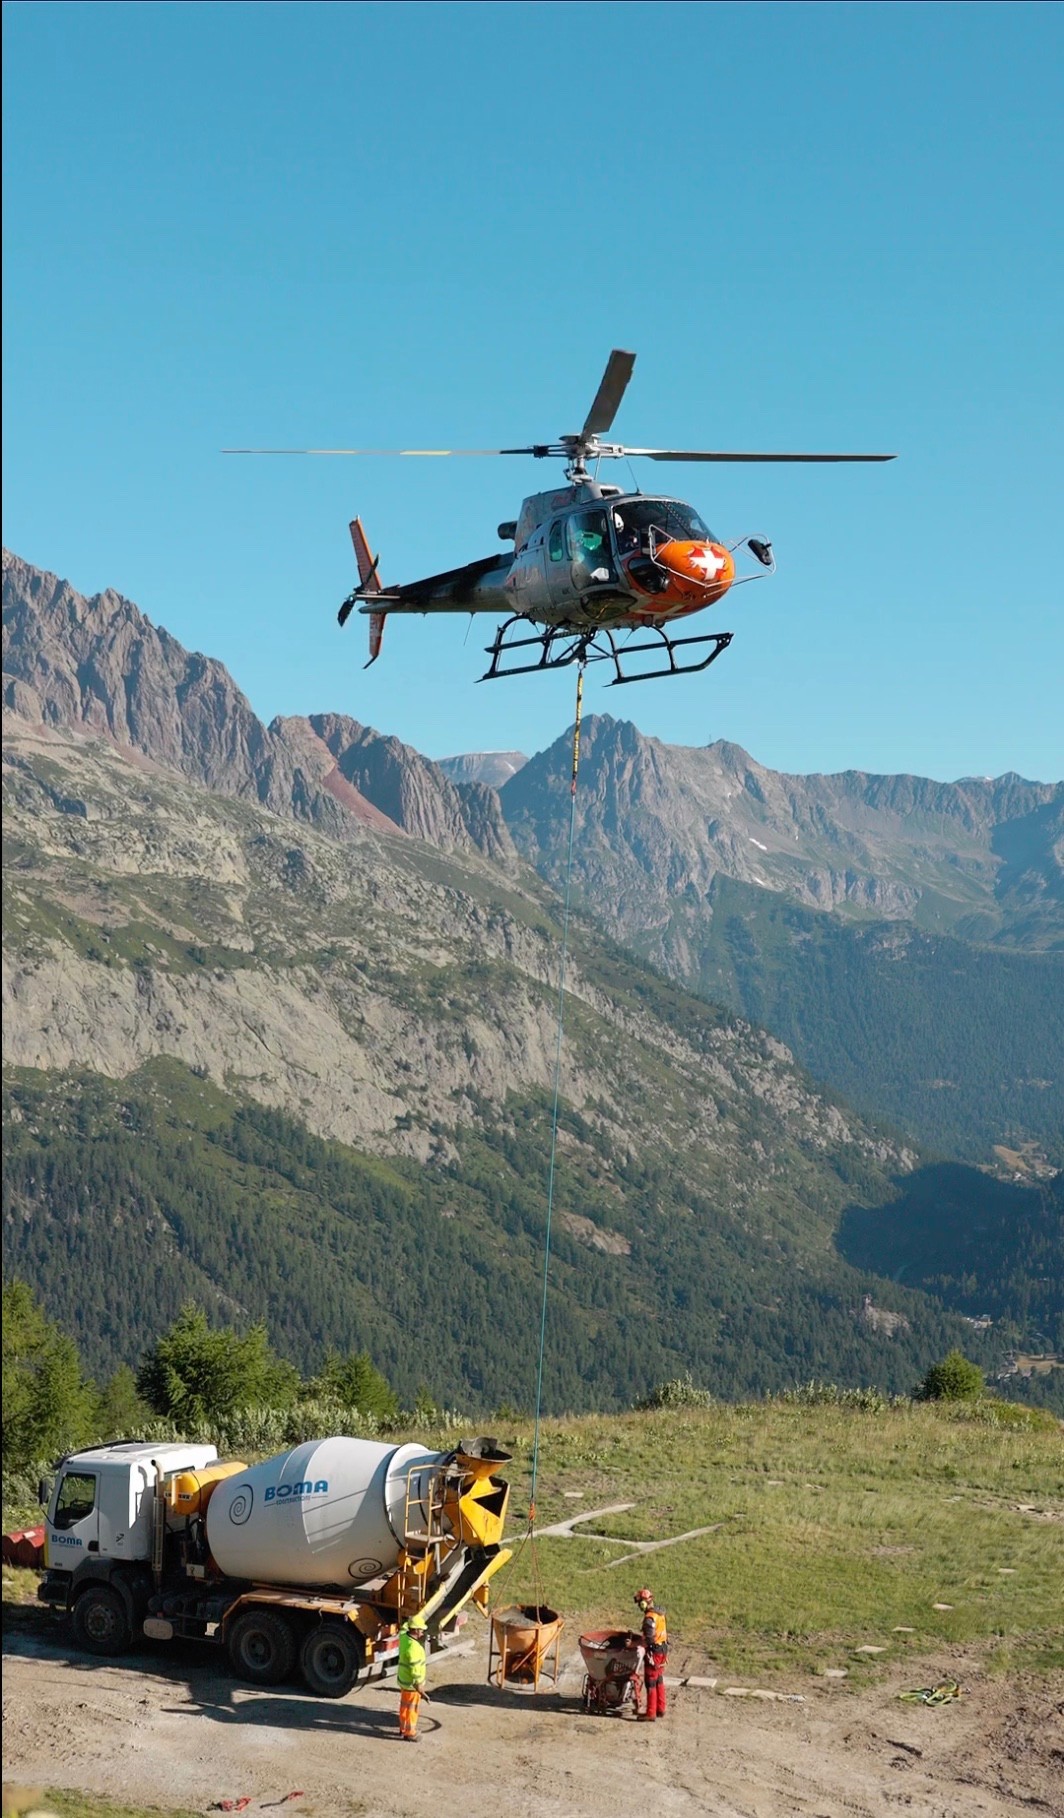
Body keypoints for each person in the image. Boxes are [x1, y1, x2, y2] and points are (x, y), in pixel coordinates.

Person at [633, 1587, 668, 1721]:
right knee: (659, 1679)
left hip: (654, 1653)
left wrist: (634, 1644)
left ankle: (651, 1713)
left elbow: (649, 1640)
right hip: (663, 1649)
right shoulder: (660, 1613)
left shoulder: (649, 1618)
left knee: (650, 1681)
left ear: (643, 1603)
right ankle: (661, 1708)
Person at [397, 1616, 429, 1741]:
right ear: (415, 1630)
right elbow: (415, 1671)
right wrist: (419, 1686)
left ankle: (403, 1728)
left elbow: (403, 1628)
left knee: (404, 1707)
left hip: (404, 1682)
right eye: (421, 1630)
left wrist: (409, 1620)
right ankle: (410, 1733)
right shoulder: (414, 1649)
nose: (422, 1632)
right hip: (412, 1685)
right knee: (411, 1709)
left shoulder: (404, 1638)